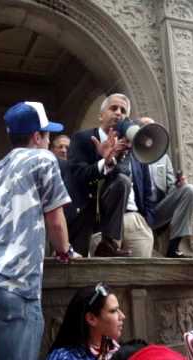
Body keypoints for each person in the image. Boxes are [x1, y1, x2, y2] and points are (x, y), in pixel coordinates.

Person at [0, 101, 76, 360]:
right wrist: (65, 251)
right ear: (37, 137)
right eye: (47, 135)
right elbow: (55, 219)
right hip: (16, 283)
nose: (49, 141)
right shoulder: (43, 158)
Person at [68, 93, 133, 257]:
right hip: (83, 210)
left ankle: (109, 243)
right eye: (114, 108)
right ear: (101, 115)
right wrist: (103, 161)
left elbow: (122, 179)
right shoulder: (82, 138)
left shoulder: (125, 146)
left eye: (123, 111)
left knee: (123, 181)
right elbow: (77, 175)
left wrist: (113, 159)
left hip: (107, 211)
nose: (119, 113)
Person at [137, 117, 193, 258]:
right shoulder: (130, 153)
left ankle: (174, 247)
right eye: (147, 128)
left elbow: (170, 187)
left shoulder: (162, 157)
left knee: (190, 190)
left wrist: (177, 185)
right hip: (137, 212)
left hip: (157, 210)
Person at [47, 283, 125, 360]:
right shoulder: (63, 357)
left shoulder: (121, 352)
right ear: (91, 319)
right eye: (113, 311)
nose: (122, 316)